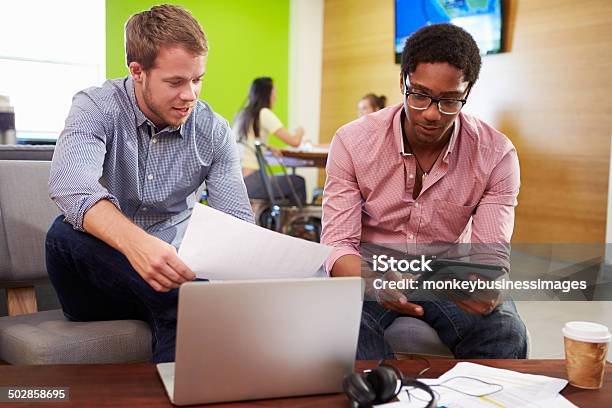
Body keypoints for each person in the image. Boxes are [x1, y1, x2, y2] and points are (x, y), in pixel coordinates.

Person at [45, 4, 254, 364]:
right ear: (137, 72)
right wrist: (138, 246)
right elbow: (71, 185)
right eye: (175, 82)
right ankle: (181, 304)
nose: (191, 94)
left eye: (197, 79)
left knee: (183, 302)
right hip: (97, 275)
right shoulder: (96, 106)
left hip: (174, 276)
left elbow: (236, 222)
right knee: (62, 233)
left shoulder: (214, 131)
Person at [321, 23, 527, 359]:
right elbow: (337, 244)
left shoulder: (496, 154)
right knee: (337, 327)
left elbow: (491, 258)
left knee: (506, 331)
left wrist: (486, 284)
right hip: (371, 267)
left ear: (468, 92)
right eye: (419, 95)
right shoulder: (352, 142)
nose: (431, 114)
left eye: (449, 101)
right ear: (403, 82)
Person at [233, 77, 307, 206]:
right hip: (252, 181)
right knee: (298, 182)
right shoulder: (264, 113)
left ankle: (280, 220)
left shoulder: (242, 114)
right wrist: (300, 130)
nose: (276, 96)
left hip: (235, 181)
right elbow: (295, 142)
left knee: (287, 184)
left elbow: (247, 143)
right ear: (267, 94)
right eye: (274, 92)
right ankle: (294, 223)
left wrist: (267, 146)